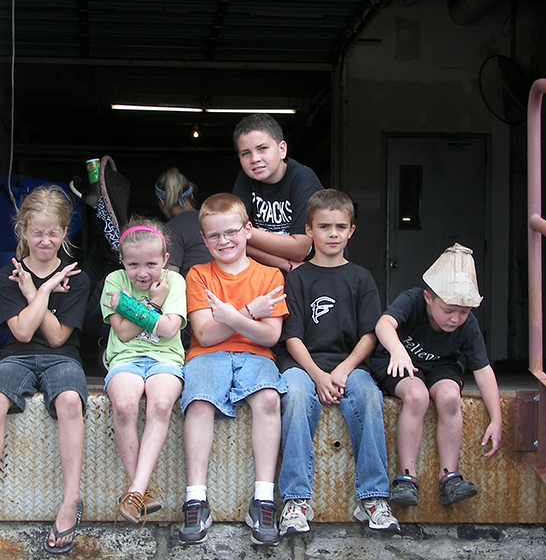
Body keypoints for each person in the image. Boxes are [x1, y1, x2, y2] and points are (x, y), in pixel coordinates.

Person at [0, 184, 88, 555]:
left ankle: (70, 501)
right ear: (23, 232)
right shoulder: (8, 275)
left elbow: (57, 338)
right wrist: (47, 290)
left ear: (65, 232)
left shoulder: (76, 277)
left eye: (52, 233)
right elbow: (21, 330)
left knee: (69, 401)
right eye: (37, 232)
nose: (44, 240)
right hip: (16, 355)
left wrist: (37, 292)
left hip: (63, 359)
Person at [276, 189, 399, 536]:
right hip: (303, 366)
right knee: (296, 397)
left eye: (340, 226)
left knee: (371, 397)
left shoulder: (361, 278)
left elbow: (370, 335)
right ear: (309, 231)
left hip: (351, 365)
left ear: (351, 231)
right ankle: (296, 501)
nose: (332, 234)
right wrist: (317, 375)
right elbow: (291, 337)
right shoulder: (297, 279)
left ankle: (374, 499)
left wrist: (343, 370)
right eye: (324, 226)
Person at [178, 193, 289, 546]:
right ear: (204, 239)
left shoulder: (270, 275)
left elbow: (271, 336)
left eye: (231, 232)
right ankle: (195, 499)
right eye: (214, 236)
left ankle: (264, 498)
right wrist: (248, 313)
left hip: (258, 355)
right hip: (206, 356)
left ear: (248, 230)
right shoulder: (198, 274)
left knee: (269, 399)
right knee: (198, 401)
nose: (224, 241)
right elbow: (205, 334)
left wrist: (230, 315)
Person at [370, 243, 502, 508]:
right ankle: (407, 476)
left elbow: (483, 369)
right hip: (399, 364)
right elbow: (384, 324)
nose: (455, 319)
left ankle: (449, 477)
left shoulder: (467, 325)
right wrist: (397, 351)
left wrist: (497, 418)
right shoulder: (413, 300)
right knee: (417, 396)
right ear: (429, 297)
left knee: (450, 397)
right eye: (448, 310)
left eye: (463, 312)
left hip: (441, 366)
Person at [100, 218, 187, 524]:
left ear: (165, 260)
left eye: (151, 263)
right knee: (124, 406)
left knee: (161, 405)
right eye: (133, 264)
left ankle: (135, 491)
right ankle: (143, 492)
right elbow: (122, 334)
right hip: (125, 358)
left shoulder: (175, 282)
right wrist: (154, 303)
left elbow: (169, 328)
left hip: (166, 359)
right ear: (122, 260)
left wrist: (133, 308)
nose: (142, 273)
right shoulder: (114, 282)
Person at [231, 113, 323, 273]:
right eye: (246, 153)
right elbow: (234, 241)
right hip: (275, 272)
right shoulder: (245, 178)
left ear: (282, 149)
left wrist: (243, 231)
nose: (255, 159)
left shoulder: (303, 179)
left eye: (262, 149)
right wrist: (285, 263)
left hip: (311, 275)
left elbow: (300, 249)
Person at [154, 167, 212, 278]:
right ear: (191, 195)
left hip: (197, 289)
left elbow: (170, 276)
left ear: (162, 202)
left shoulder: (171, 228)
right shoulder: (212, 218)